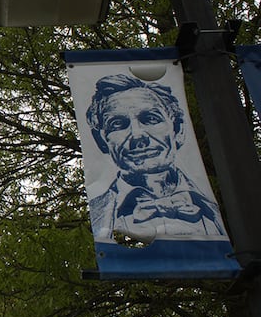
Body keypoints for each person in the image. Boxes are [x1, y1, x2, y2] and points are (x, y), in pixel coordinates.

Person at [85, 74, 226, 243]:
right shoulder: (99, 213)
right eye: (118, 124)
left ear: (178, 129)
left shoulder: (224, 202)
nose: (138, 135)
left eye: (151, 119)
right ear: (101, 140)